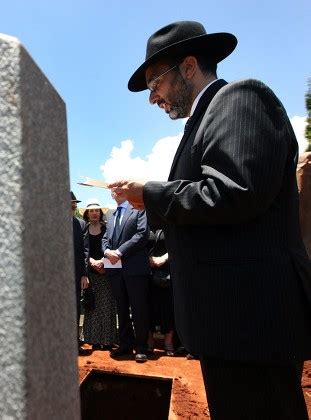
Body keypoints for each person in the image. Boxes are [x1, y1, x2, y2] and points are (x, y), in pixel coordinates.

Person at [109, 21, 311, 419]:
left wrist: (149, 193)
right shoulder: (204, 120)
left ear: (188, 67)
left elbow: (235, 191)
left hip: (251, 320)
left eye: (155, 84)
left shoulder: (240, 99)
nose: (153, 98)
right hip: (230, 325)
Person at [102, 191, 151, 363]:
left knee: (138, 309)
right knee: (121, 309)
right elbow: (104, 238)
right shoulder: (110, 213)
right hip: (115, 270)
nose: (115, 191)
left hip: (135, 268)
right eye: (112, 189)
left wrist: (120, 251)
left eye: (119, 187)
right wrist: (107, 251)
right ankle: (125, 344)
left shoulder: (139, 208)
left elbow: (142, 234)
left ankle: (142, 347)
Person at [80, 199, 118, 350]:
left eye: (97, 210)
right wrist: (91, 262)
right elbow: (81, 250)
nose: (94, 213)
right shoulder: (83, 229)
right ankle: (93, 339)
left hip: (106, 271)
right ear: (87, 214)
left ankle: (107, 340)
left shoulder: (108, 228)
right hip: (90, 273)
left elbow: (113, 247)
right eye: (91, 211)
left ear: (100, 213)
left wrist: (102, 262)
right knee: (92, 306)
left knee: (107, 305)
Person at [147, 229, 178, 357]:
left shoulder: (169, 223)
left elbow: (179, 245)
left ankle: (168, 342)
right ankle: (149, 342)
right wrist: (147, 258)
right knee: (148, 308)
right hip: (146, 272)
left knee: (169, 308)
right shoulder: (142, 223)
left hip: (168, 272)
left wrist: (164, 258)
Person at [71, 191, 89, 355]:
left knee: (75, 309)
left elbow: (85, 251)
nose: (72, 206)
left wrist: (84, 274)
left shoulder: (81, 225)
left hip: (76, 275)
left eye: (74, 204)